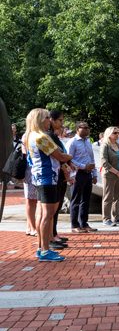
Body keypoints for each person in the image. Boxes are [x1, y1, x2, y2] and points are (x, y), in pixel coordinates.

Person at [24, 108, 73, 262]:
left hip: (40, 177)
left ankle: (41, 247)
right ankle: (45, 250)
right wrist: (70, 156)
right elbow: (59, 156)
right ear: (39, 119)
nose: (49, 121)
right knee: (47, 214)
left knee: (42, 213)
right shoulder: (40, 137)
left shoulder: (30, 136)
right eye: (46, 118)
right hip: (47, 178)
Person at [68, 122, 99, 233]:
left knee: (86, 199)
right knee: (76, 199)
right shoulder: (72, 142)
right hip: (77, 174)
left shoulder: (88, 142)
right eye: (84, 128)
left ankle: (84, 223)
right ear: (77, 129)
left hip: (88, 174)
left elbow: (91, 159)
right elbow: (69, 159)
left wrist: (94, 174)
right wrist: (83, 166)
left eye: (88, 127)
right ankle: (74, 224)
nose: (87, 130)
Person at [48, 111, 72, 248]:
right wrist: (67, 158)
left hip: (60, 175)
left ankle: (54, 234)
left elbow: (63, 155)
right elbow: (60, 156)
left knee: (56, 207)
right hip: (51, 175)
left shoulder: (54, 136)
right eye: (60, 120)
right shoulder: (47, 136)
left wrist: (67, 160)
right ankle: (49, 238)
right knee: (50, 210)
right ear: (52, 120)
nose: (62, 123)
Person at [100, 126, 119, 226]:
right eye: (115, 133)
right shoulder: (105, 146)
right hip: (109, 175)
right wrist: (117, 172)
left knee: (116, 196)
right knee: (108, 197)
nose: (117, 135)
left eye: (118, 133)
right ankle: (106, 218)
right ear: (109, 134)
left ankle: (116, 216)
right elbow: (104, 162)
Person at [21, 133, 38, 237]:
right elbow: (25, 154)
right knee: (30, 199)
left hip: (34, 169)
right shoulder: (26, 136)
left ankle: (29, 226)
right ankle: (32, 227)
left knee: (34, 200)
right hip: (29, 170)